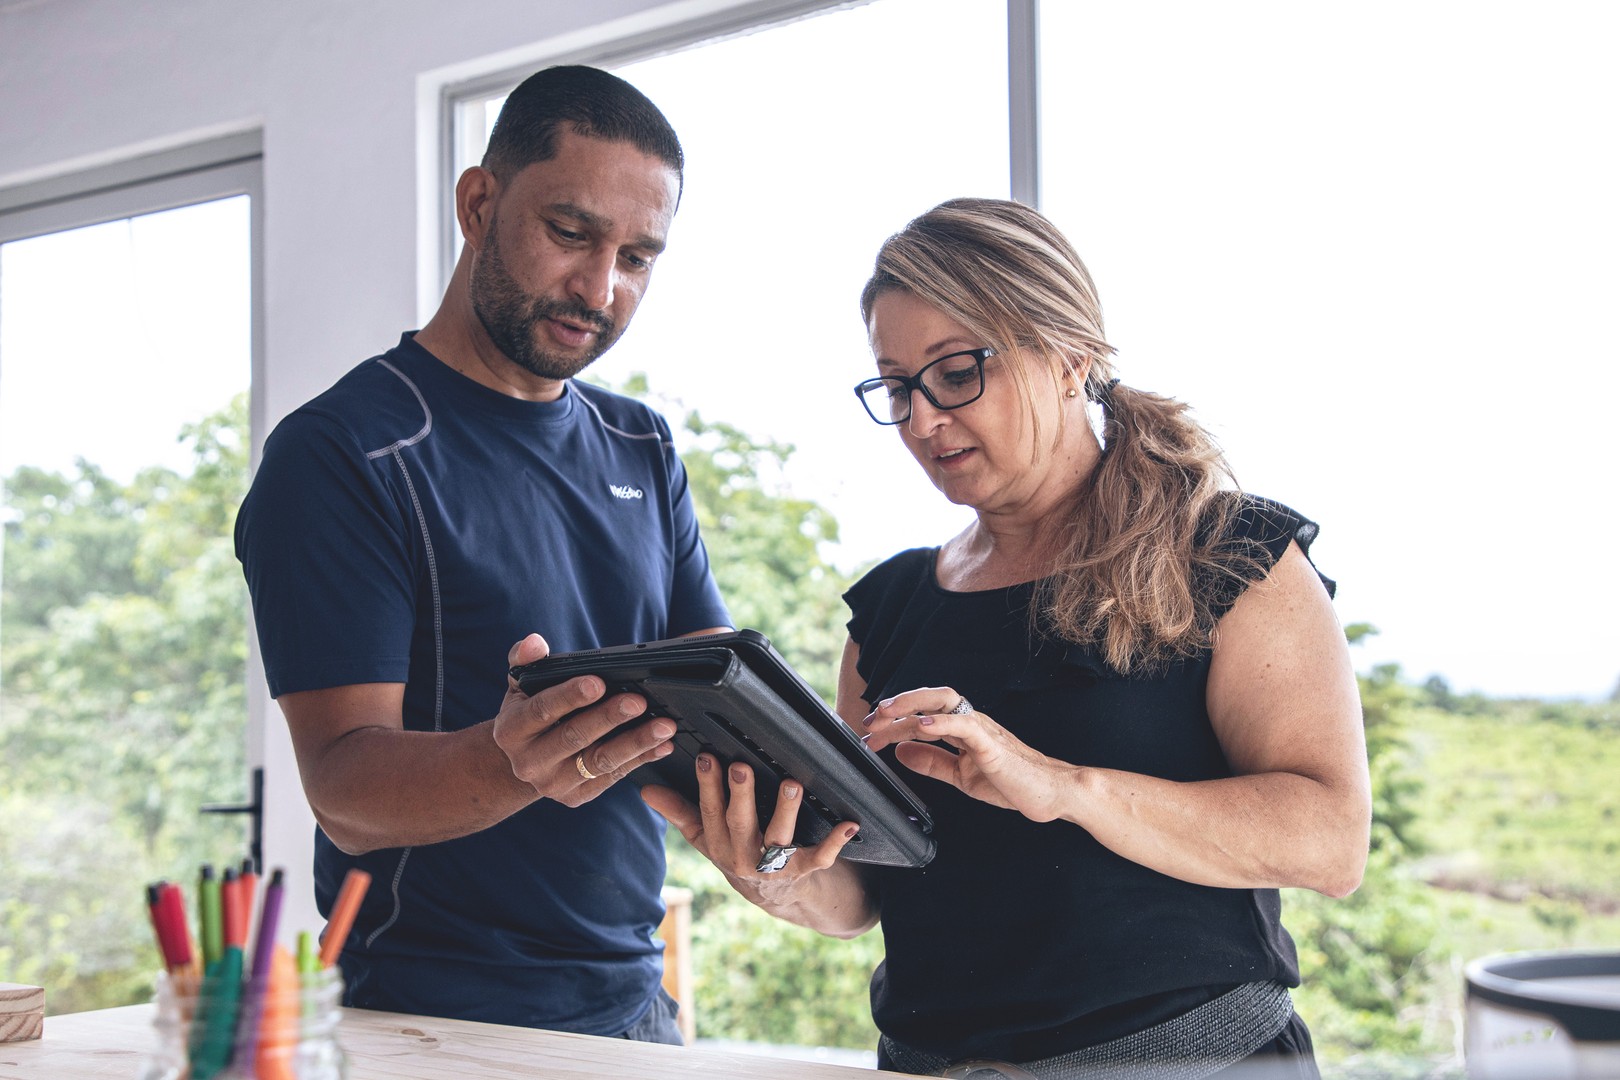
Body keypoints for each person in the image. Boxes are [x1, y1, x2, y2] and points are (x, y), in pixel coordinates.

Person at [644, 198, 1370, 1078]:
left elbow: (1331, 842)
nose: (920, 420)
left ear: (1069, 357)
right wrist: (767, 870)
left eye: (955, 374)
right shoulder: (892, 607)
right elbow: (863, 891)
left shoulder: (1227, 555)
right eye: (899, 387)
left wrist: (1061, 787)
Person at [234, 65, 731, 1042]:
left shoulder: (644, 447)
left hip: (633, 1006)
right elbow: (342, 789)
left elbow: (709, 695)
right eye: (571, 233)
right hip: (430, 1018)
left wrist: (794, 787)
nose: (600, 288)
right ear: (479, 202)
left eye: (637, 257)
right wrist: (514, 761)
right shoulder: (344, 452)